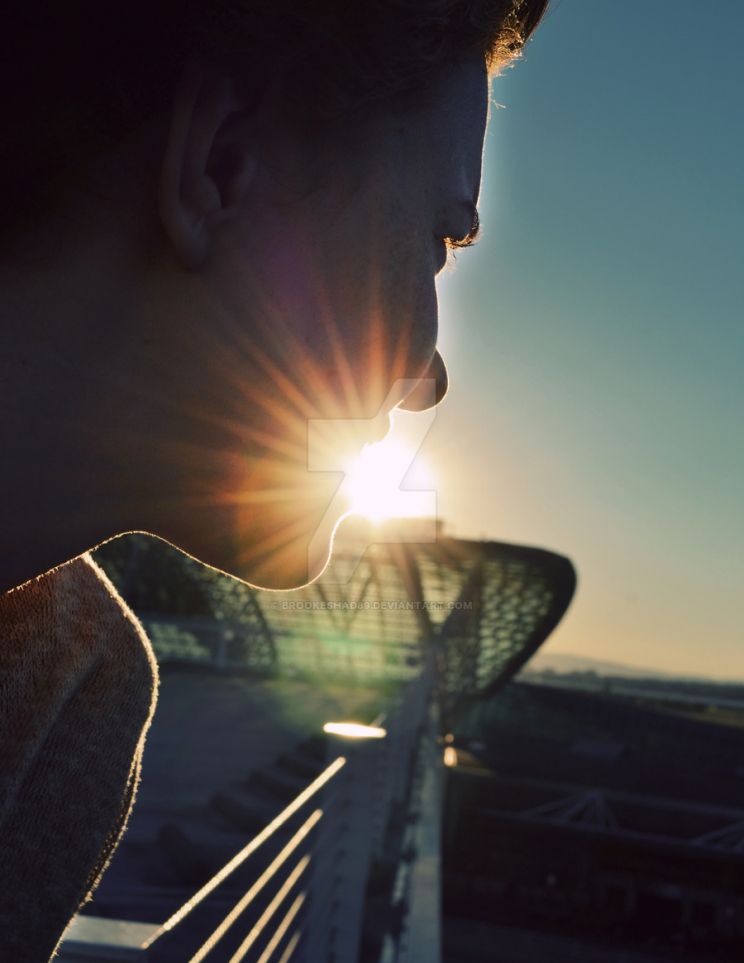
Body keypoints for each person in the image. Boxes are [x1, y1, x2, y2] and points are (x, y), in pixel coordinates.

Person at [0, 1, 548, 958]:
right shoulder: (58, 698)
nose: (430, 379)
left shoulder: (77, 696)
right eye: (435, 240)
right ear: (219, 162)